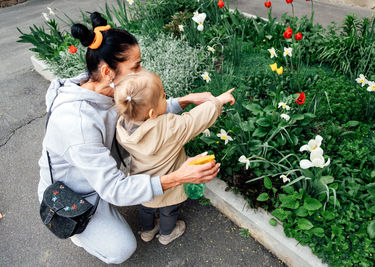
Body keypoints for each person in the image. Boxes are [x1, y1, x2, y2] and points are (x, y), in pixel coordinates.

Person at [37, 12, 219, 264]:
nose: (142, 71)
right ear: (107, 72)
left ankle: (111, 211)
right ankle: (79, 232)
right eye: (135, 66)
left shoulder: (107, 89)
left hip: (102, 177)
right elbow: (114, 188)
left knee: (132, 196)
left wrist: (184, 101)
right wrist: (179, 176)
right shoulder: (77, 123)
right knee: (122, 248)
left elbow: (144, 111)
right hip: (76, 195)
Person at [114, 71, 235, 245]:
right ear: (152, 113)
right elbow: (193, 120)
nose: (166, 98)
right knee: (168, 210)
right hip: (168, 183)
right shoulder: (169, 127)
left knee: (146, 209)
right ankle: (166, 234)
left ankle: (147, 231)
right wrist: (217, 101)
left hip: (142, 182)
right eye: (164, 97)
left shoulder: (123, 126)